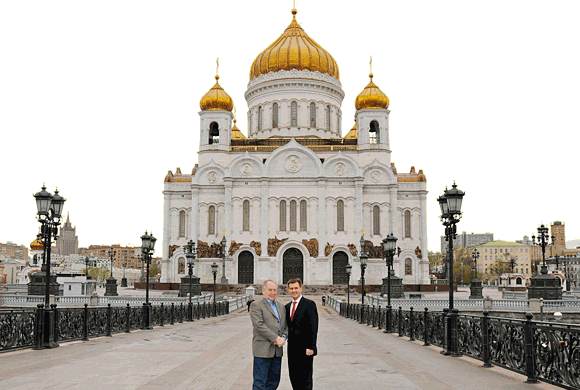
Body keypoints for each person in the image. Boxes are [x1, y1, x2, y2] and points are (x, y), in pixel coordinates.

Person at [250, 280, 288, 390]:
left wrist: (284, 337)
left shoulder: (281, 306)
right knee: (260, 383)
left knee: (274, 382)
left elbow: (285, 326)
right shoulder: (256, 305)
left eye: (274, 290)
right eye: (270, 290)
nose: (272, 292)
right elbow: (259, 325)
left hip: (277, 351)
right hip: (263, 351)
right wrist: (276, 338)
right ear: (263, 291)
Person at [285, 278, 319, 390]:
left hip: (305, 350)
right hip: (292, 350)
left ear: (301, 288)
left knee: (305, 379)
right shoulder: (287, 307)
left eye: (296, 288)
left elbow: (313, 327)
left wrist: (311, 347)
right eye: (291, 288)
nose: (294, 291)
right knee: (294, 378)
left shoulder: (309, 304)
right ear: (288, 290)